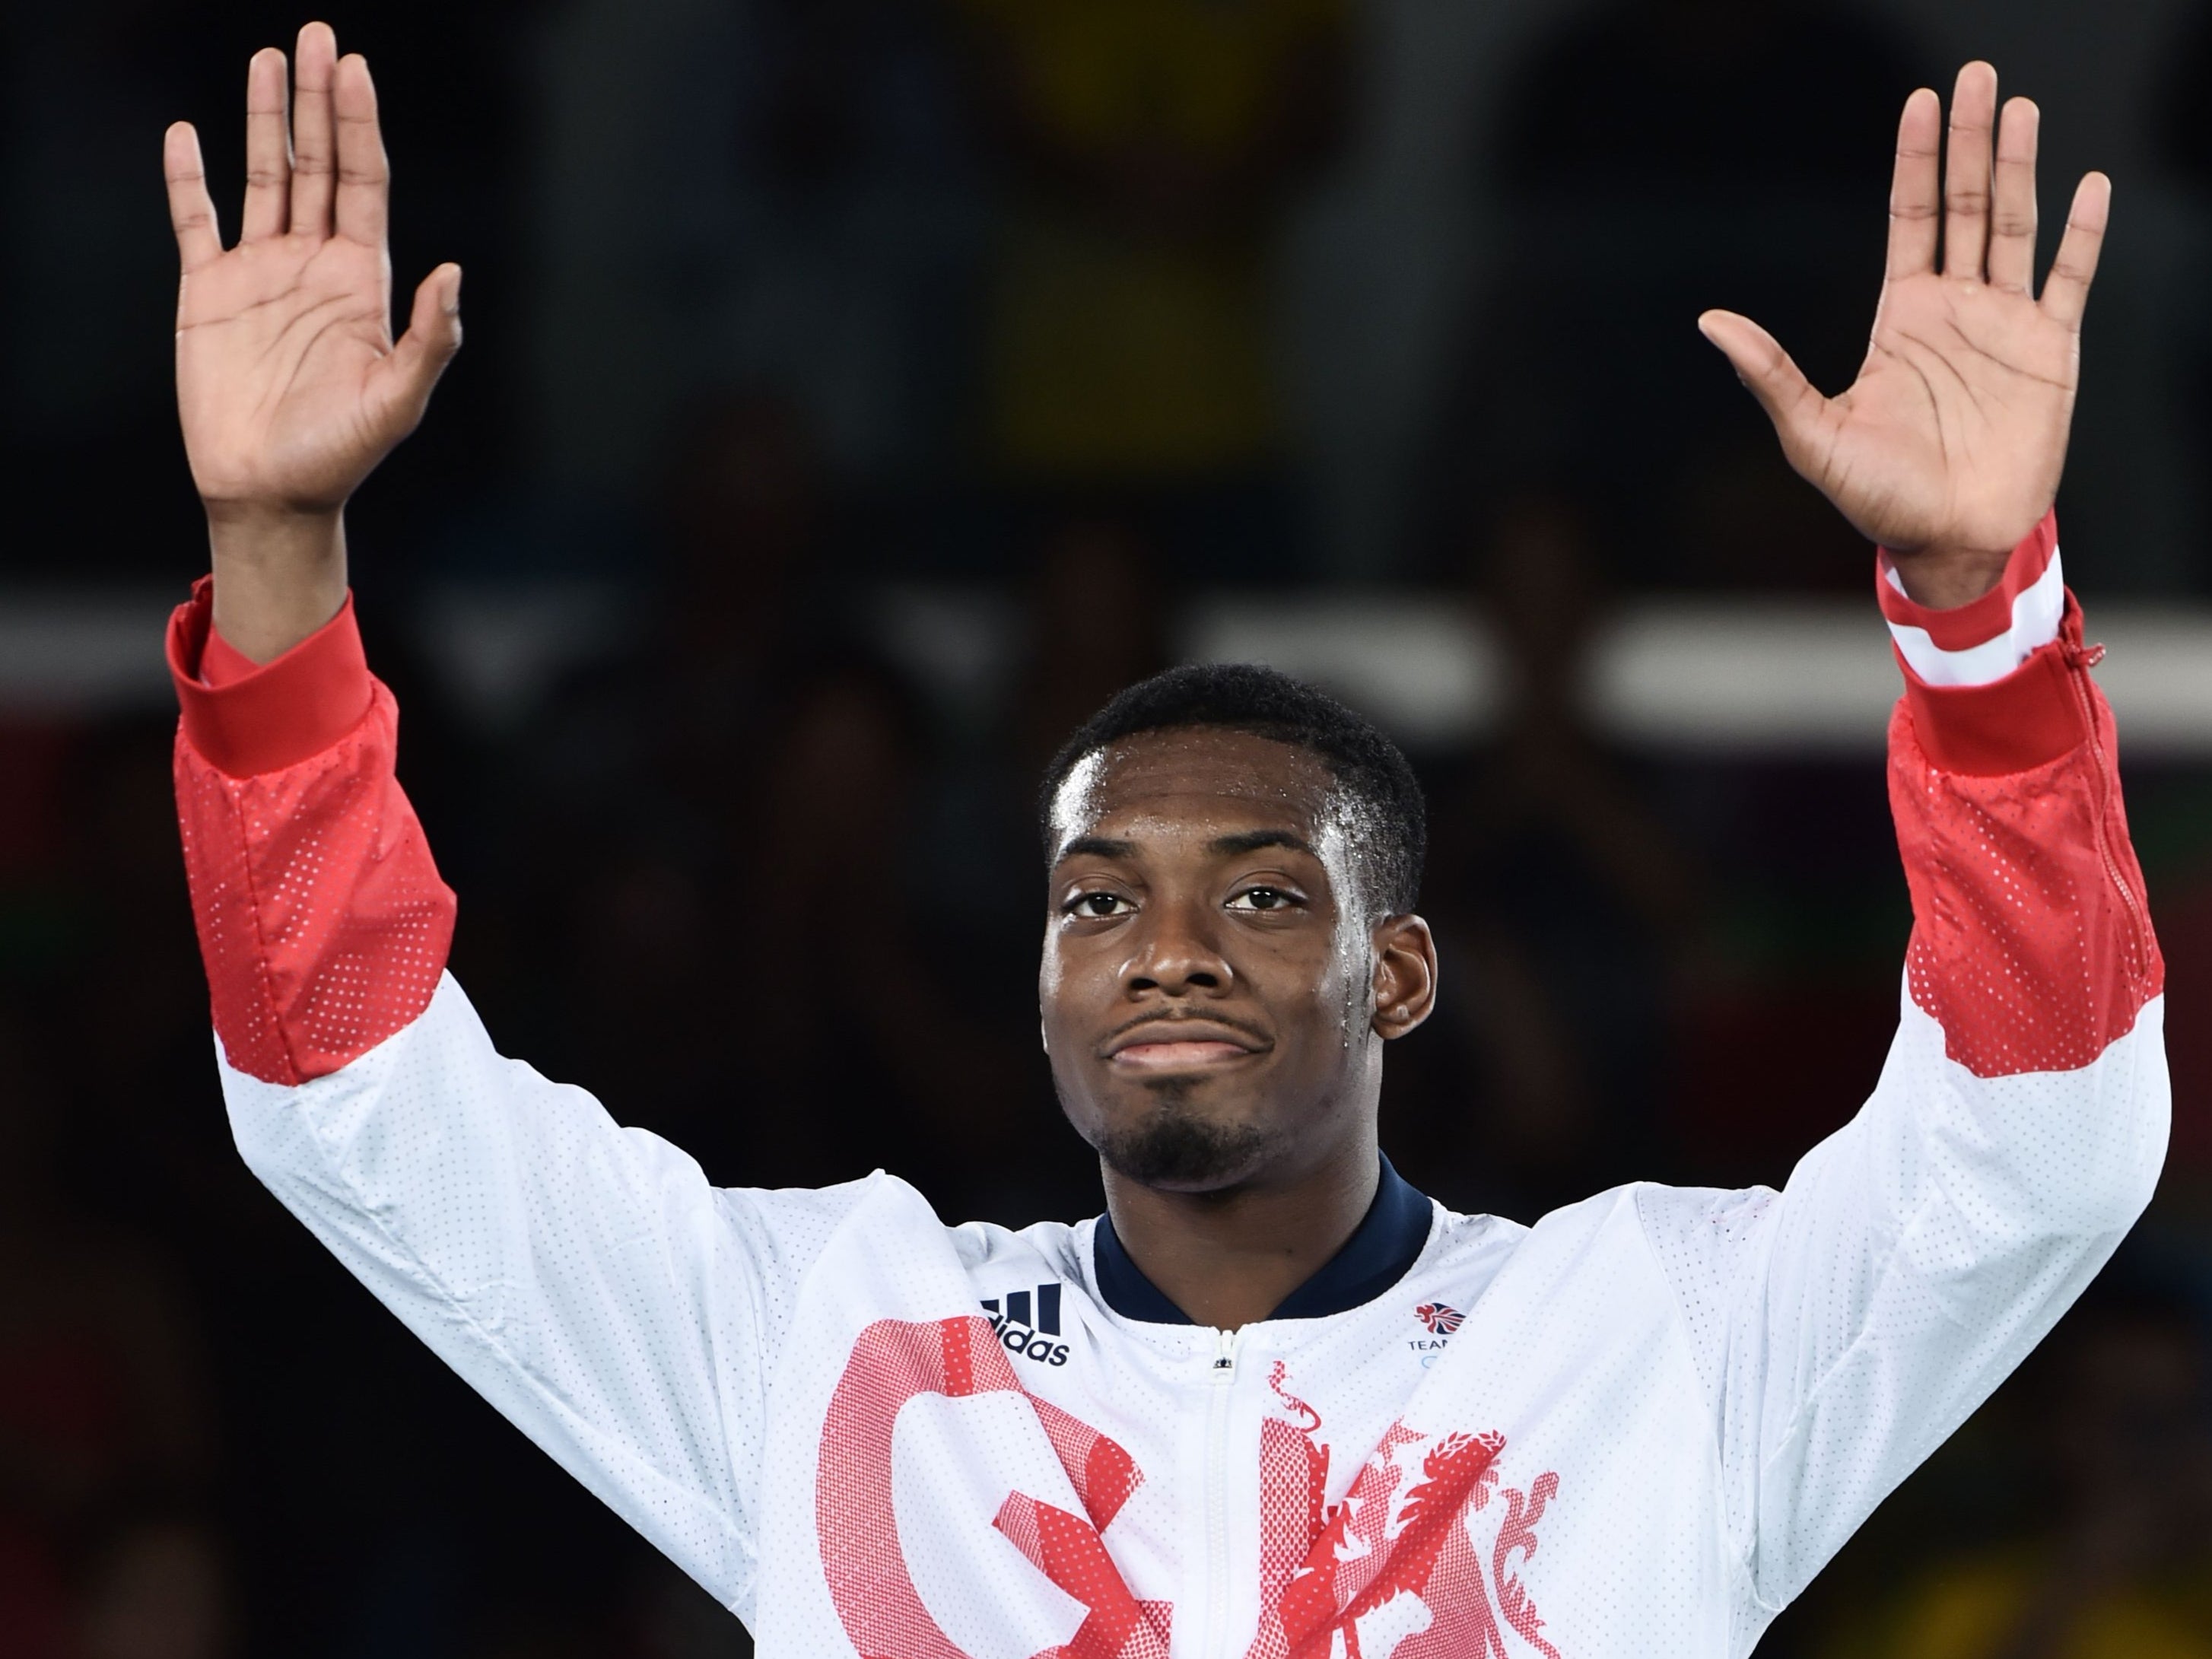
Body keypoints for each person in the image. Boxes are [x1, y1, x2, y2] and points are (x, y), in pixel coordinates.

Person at [157, 24, 2163, 1657]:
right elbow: (354, 1107)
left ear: (1397, 969)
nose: (1166, 946)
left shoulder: (1648, 1341)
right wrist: (270, 552)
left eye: (1260, 891)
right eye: (1096, 897)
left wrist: (1982, 613)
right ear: (1039, 983)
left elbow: (2041, 1136)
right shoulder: (831, 1335)